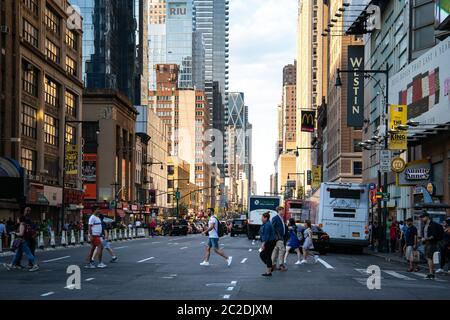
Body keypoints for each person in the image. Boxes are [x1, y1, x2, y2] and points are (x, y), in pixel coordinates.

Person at [420, 211, 444, 279]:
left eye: (423, 217)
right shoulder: (425, 225)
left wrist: (425, 239)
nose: (422, 218)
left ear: (427, 217)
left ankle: (431, 273)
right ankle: (431, 272)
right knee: (428, 258)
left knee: (429, 257)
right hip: (427, 243)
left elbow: (433, 235)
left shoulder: (432, 224)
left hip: (431, 243)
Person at [259, 211, 276, 277]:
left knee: (266, 255)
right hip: (270, 242)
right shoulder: (266, 223)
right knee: (263, 255)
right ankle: (270, 267)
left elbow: (266, 236)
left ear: (265, 218)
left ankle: (269, 271)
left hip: (269, 242)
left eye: (262, 217)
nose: (261, 219)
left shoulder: (267, 225)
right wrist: (266, 213)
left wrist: (263, 244)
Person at [270, 206, 287, 272]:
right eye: (282, 210)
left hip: (280, 237)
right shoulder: (275, 218)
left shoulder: (281, 218)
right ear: (279, 211)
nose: (283, 211)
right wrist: (276, 236)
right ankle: (281, 265)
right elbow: (272, 228)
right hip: (278, 237)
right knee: (282, 249)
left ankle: (273, 265)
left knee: (275, 251)